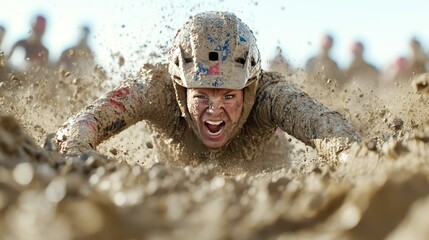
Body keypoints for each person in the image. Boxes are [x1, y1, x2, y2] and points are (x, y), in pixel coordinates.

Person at [55, 11, 361, 169]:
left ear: (249, 88)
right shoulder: (157, 89)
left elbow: (326, 126)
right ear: (181, 88)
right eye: (201, 95)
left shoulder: (269, 94)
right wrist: (77, 154)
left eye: (229, 95)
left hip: (265, 168)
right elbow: (86, 122)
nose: (215, 110)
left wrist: (353, 157)